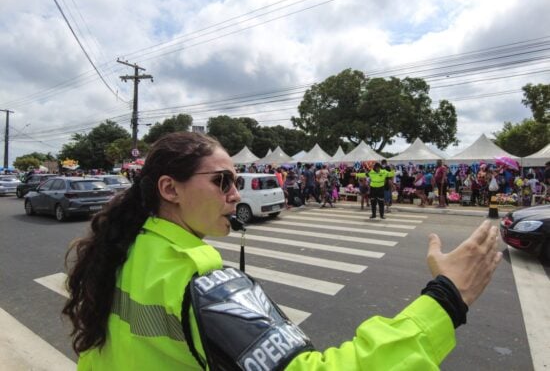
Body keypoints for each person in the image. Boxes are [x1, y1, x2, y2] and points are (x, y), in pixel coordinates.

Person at [63, 132, 502, 370]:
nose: (236, 195)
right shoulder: (199, 280)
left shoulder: (124, 247)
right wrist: (445, 300)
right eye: (223, 181)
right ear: (169, 189)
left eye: (238, 181)